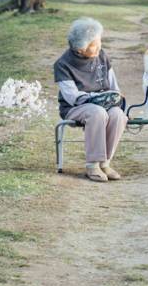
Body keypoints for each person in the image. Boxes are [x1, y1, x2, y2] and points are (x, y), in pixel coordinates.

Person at [53, 17, 127, 182]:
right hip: (75, 107)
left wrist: (115, 96)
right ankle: (92, 165)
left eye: (100, 42)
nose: (99, 47)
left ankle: (105, 163)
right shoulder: (62, 64)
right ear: (81, 49)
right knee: (97, 112)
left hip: (105, 104)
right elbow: (72, 97)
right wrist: (98, 97)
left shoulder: (102, 55)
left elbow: (113, 85)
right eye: (95, 45)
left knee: (117, 115)